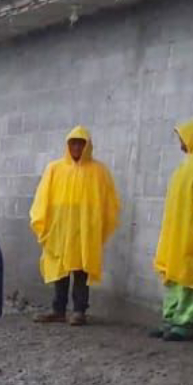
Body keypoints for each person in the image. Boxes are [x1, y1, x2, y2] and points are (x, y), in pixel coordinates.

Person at [29, 126, 120, 325]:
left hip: (84, 230)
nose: (77, 147)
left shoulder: (99, 171)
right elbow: (43, 197)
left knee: (81, 269)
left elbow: (109, 202)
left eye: (81, 143)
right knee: (59, 270)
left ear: (87, 145)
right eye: (73, 143)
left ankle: (79, 310)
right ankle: (58, 310)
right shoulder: (54, 168)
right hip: (60, 229)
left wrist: (98, 226)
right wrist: (43, 225)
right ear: (67, 145)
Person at [152, 117, 193, 342]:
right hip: (178, 228)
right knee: (174, 274)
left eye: (182, 136)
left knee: (192, 276)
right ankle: (169, 319)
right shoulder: (189, 161)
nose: (180, 141)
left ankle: (184, 323)